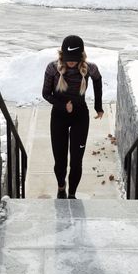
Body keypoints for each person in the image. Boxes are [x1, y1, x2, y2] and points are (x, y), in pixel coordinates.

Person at [42, 35, 104, 199]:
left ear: (81, 56)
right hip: (59, 116)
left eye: (74, 59)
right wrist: (63, 105)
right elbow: (46, 94)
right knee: (60, 160)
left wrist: (98, 106)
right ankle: (61, 188)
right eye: (68, 59)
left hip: (80, 117)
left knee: (76, 161)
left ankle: (72, 194)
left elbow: (98, 81)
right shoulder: (52, 68)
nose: (71, 62)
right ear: (62, 55)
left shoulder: (90, 68)